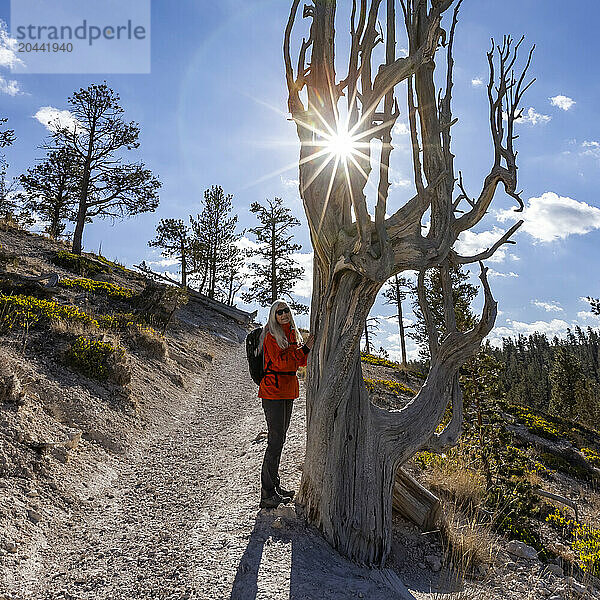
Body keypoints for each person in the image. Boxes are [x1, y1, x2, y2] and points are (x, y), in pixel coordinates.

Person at [258, 299, 314, 509]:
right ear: (273, 315)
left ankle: (275, 486)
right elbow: (281, 362)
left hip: (287, 390)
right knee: (274, 441)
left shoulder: (291, 332)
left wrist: (304, 350)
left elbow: (300, 361)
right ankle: (267, 493)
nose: (283, 314)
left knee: (279, 440)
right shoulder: (271, 334)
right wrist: (304, 350)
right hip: (273, 392)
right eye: (279, 312)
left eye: (286, 310)